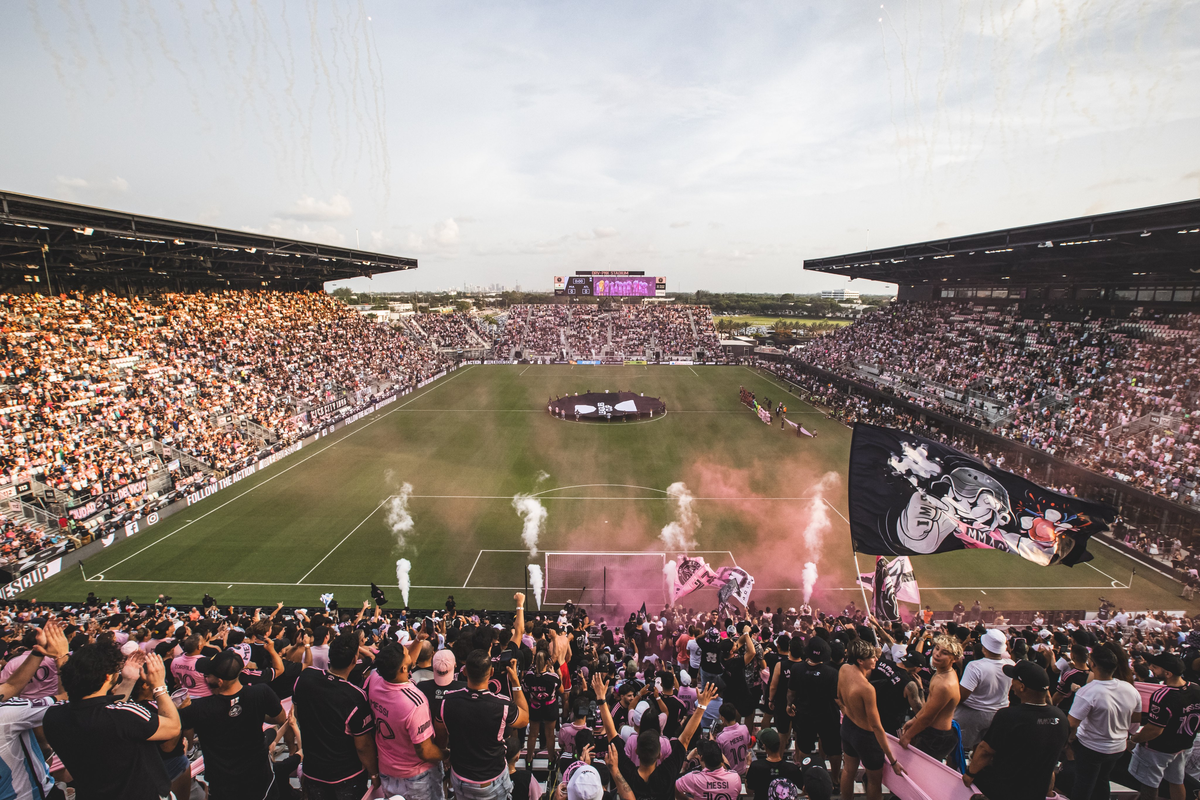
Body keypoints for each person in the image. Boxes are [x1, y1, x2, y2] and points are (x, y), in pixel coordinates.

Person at [44, 644, 181, 800]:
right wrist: (159, 686)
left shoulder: (53, 715)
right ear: (107, 677)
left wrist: (128, 681)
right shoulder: (124, 715)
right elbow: (173, 727)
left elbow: (107, 715)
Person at [179, 649, 287, 800]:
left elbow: (186, 735)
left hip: (223, 783)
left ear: (220, 681)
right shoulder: (260, 692)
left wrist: (182, 710)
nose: (206, 678)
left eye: (208, 675)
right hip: (259, 778)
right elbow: (280, 718)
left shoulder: (198, 708)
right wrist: (255, 713)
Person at [595, 674, 716, 800]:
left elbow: (611, 734)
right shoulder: (667, 773)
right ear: (659, 755)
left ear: (637, 751)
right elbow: (686, 738)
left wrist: (601, 700)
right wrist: (701, 706)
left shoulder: (628, 773)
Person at [961, 660, 1069, 800]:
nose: (1011, 684)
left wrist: (970, 774)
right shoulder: (1061, 717)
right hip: (1037, 791)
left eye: (1014, 680)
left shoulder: (1008, 716)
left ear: (1022, 687)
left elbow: (985, 751)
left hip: (1005, 790)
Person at [292, 630, 379, 799]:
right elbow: (363, 746)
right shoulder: (355, 696)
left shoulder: (305, 678)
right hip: (346, 776)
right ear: (354, 660)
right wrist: (374, 773)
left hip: (313, 770)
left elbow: (297, 713)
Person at [433, 649, 529, 800]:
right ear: (491, 673)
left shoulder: (447, 701)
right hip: (492, 778)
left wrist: (446, 754)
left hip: (461, 776)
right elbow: (524, 718)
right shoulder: (502, 705)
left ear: (464, 672)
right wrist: (515, 683)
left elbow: (440, 738)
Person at [365, 643, 446, 800]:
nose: (410, 653)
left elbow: (403, 664)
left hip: (387, 771)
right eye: (407, 653)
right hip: (416, 778)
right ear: (403, 668)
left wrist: (418, 640)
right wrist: (446, 754)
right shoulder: (415, 703)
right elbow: (425, 751)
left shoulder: (375, 679)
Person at [0, 620, 68, 800]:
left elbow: (11, 686)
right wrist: (62, 655)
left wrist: (38, 652)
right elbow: (66, 699)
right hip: (33, 795)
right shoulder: (8, 714)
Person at [1066, 644, 1141, 800]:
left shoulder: (1088, 691)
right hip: (1118, 748)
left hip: (1091, 747)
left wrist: (1071, 739)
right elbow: (1136, 718)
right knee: (1102, 780)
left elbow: (1071, 724)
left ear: (1093, 664)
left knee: (1083, 785)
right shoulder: (1129, 688)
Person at [836, 638, 903, 800]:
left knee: (848, 770)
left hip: (848, 727)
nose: (876, 659)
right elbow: (876, 727)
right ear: (860, 661)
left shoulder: (844, 669)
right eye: (872, 657)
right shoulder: (866, 689)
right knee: (874, 781)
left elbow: (839, 698)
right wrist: (893, 761)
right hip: (865, 738)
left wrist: (849, 712)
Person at [1128, 653, 1200, 800]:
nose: (1151, 669)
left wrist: (1134, 740)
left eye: (1155, 667)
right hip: (1184, 746)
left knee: (1150, 786)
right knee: (1177, 781)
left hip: (1158, 750)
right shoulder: (1195, 688)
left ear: (1168, 673)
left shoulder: (1162, 696)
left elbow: (1154, 730)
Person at [898, 636, 961, 762]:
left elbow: (928, 717)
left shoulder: (945, 684)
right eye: (937, 648)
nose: (937, 654)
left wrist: (907, 736)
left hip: (937, 736)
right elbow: (929, 704)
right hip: (934, 732)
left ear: (953, 659)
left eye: (944, 653)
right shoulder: (941, 672)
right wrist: (915, 719)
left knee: (917, 769)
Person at [953, 628, 1013, 750]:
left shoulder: (975, 666)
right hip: (998, 715)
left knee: (960, 749)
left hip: (971, 715)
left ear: (984, 648)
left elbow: (961, 696)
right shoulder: (1011, 664)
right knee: (985, 751)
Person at [788, 636, 841, 777]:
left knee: (804, 748)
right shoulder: (832, 673)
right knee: (834, 750)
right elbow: (837, 698)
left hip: (804, 715)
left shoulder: (797, 668)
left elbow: (791, 692)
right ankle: (835, 780)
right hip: (828, 715)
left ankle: (806, 776)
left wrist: (789, 705)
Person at [524, 649, 564, 772]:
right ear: (547, 662)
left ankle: (529, 760)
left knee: (532, 734)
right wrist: (555, 674)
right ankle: (551, 760)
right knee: (550, 735)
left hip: (535, 706)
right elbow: (561, 690)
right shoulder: (552, 677)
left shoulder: (529, 676)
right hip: (549, 707)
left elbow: (525, 690)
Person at [745, 727, 804, 800]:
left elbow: (749, 792)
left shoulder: (755, 766)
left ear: (764, 746)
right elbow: (804, 788)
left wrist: (748, 765)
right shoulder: (792, 769)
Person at [674, 739, 742, 800]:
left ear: (701, 758)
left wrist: (686, 799)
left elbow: (674, 787)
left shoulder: (694, 778)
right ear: (722, 759)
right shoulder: (735, 778)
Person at [714, 701, 752, 777]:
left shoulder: (721, 737)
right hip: (744, 770)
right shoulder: (744, 728)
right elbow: (748, 743)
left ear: (723, 718)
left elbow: (719, 757)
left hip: (730, 774)